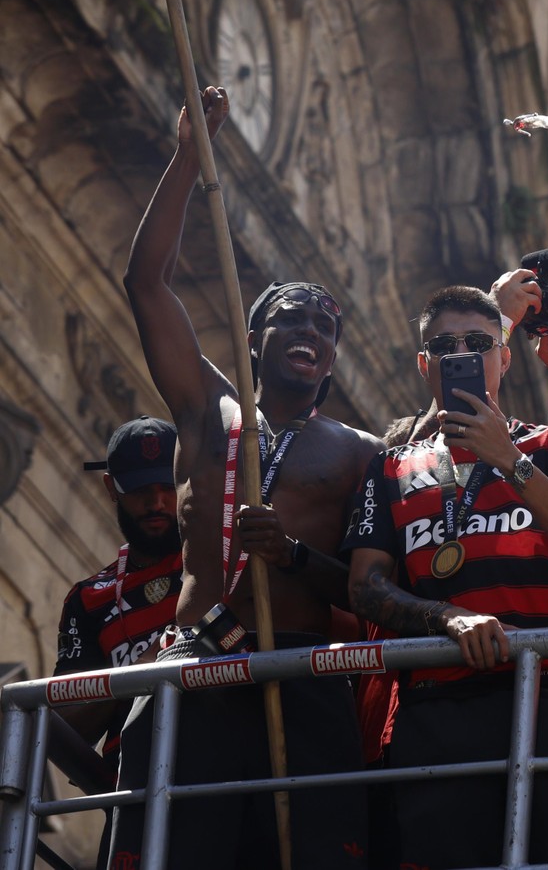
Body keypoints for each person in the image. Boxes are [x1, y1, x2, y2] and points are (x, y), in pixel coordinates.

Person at [112, 86, 378, 868]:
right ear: (256, 336)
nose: (311, 332)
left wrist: (294, 555)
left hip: (306, 678)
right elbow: (146, 283)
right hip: (200, 662)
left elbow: (371, 587)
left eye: (325, 326)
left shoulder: (360, 452)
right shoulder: (207, 409)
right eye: (293, 318)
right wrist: (189, 158)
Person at [344, 284, 548, 866]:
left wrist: (506, 458)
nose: (459, 354)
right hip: (436, 708)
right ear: (424, 364)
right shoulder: (388, 467)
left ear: (504, 356)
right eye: (442, 345)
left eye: (478, 343)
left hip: (547, 703)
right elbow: (364, 587)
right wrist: (446, 618)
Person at [55, 417, 183, 864]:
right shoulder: (87, 600)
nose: (157, 502)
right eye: (140, 489)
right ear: (112, 488)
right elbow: (65, 725)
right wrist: (136, 673)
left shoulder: (220, 563)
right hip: (133, 791)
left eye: (168, 485)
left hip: (224, 769)